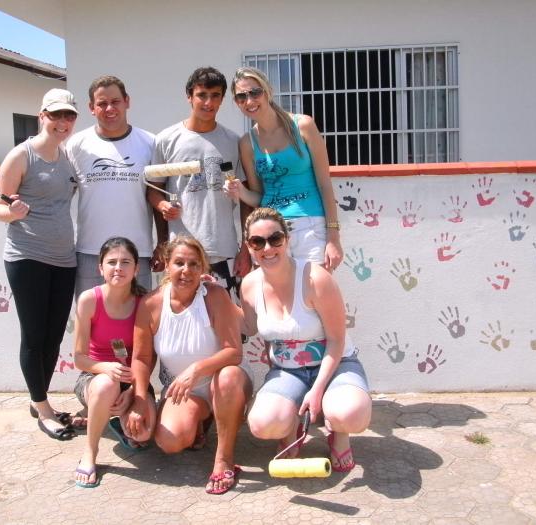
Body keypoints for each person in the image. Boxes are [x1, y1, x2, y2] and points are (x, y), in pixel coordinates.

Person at [240, 208, 371, 472]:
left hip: (336, 365)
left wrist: (318, 389)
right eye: (258, 242)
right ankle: (291, 428)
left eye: (275, 239)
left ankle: (338, 432)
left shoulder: (315, 278)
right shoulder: (249, 285)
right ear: (249, 246)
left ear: (287, 239)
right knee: (262, 424)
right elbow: (249, 327)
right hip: (288, 372)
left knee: (350, 415)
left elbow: (336, 340)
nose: (267, 248)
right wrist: (211, 295)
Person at [127, 236, 253, 495]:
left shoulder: (215, 296)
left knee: (228, 378)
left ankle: (224, 459)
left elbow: (233, 352)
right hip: (185, 391)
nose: (186, 270)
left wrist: (196, 370)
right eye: (179, 263)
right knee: (169, 441)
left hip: (225, 379)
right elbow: (141, 359)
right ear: (166, 265)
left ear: (203, 268)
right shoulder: (150, 304)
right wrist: (140, 399)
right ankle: (200, 423)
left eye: (194, 264)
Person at [0, 88, 79, 441]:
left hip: (64, 259)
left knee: (55, 335)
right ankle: (43, 408)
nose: (62, 122)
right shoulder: (21, 155)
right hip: (27, 256)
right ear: (41, 116)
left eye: (68, 116)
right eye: (55, 115)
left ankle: (38, 398)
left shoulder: (67, 156)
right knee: (34, 335)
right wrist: (10, 211)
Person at [147, 66, 251, 299]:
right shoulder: (166, 139)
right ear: (189, 96)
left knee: (225, 326)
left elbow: (246, 198)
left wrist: (245, 248)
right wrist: (163, 208)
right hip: (180, 254)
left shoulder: (233, 141)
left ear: (223, 99)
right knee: (182, 326)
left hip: (223, 251)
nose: (208, 102)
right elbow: (154, 191)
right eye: (202, 95)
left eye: (215, 96)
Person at [224, 67, 343, 270]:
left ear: (267, 91)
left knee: (314, 295)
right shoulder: (247, 143)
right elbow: (259, 198)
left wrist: (333, 237)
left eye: (255, 92)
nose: (249, 101)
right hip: (271, 231)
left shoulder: (303, 125)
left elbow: (324, 184)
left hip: (311, 226)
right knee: (277, 299)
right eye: (241, 97)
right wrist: (240, 192)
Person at [72, 237, 155, 488]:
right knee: (106, 386)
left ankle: (115, 419)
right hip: (95, 378)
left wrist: (132, 392)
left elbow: (148, 358)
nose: (118, 267)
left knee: (143, 434)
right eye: (111, 262)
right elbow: (79, 358)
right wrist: (104, 368)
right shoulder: (89, 300)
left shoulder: (147, 303)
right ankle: (90, 451)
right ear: (100, 268)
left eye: (125, 262)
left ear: (136, 269)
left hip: (134, 381)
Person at [67, 75, 157, 297]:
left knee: (139, 327)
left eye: (115, 101)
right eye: (102, 103)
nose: (109, 108)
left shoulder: (150, 143)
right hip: (90, 253)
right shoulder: (76, 145)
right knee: (91, 326)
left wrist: (162, 243)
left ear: (127, 101)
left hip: (137, 254)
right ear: (91, 107)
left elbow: (156, 195)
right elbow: (62, 195)